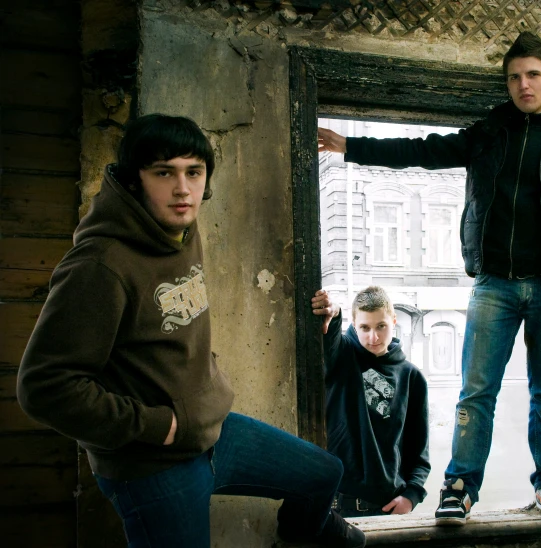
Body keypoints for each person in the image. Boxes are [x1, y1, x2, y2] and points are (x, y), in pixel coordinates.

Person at [17, 114, 365, 548]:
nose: (183, 189)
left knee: (323, 473)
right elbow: (44, 387)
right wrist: (157, 426)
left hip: (214, 431)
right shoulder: (98, 266)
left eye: (193, 172)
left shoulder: (181, 227)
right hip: (153, 466)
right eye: (164, 173)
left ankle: (299, 536)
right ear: (134, 180)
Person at [317, 32, 541, 530]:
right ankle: (460, 487)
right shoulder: (489, 132)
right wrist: (351, 146)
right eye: (514, 77)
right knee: (476, 392)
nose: (523, 84)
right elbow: (424, 150)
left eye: (533, 74)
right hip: (494, 283)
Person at [311, 286, 430, 517]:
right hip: (336, 508)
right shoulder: (342, 358)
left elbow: (419, 449)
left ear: (393, 321)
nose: (373, 337)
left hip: (386, 509)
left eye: (381, 326)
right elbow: (330, 338)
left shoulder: (411, 377)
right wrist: (334, 314)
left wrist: (411, 496)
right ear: (354, 324)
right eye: (364, 328)